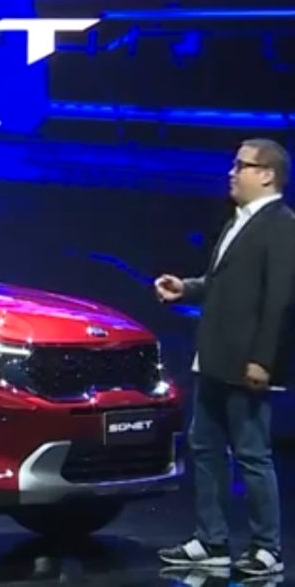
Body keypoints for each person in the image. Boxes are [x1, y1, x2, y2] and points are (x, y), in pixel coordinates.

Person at [155, 138, 295, 577]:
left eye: (241, 165)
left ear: (266, 175)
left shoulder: (282, 226)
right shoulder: (238, 221)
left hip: (246, 364)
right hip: (214, 357)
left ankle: (267, 547)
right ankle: (211, 540)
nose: (231, 173)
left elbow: (279, 300)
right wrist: (187, 288)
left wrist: (263, 359)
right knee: (204, 446)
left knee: (252, 454)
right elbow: (223, 285)